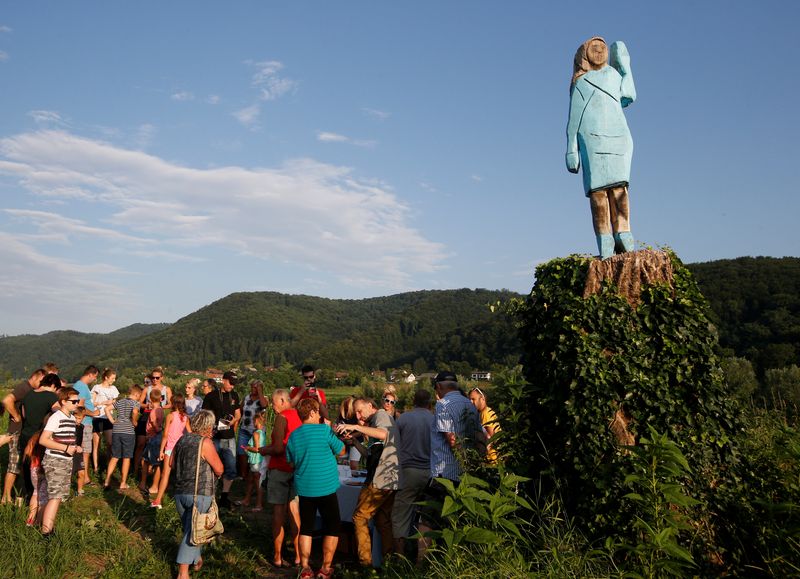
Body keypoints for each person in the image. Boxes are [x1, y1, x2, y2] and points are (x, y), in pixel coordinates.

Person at [566, 36, 637, 259]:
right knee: (598, 193)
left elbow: (629, 95)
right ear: (584, 54)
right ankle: (604, 235)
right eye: (594, 48)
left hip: (618, 135)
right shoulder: (582, 83)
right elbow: (573, 119)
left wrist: (624, 65)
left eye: (602, 48)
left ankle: (623, 231)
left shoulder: (614, 75)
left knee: (619, 189)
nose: (599, 51)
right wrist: (571, 148)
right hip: (591, 139)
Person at [417, 371, 484, 562]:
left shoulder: (443, 405)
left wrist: (462, 460)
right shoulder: (470, 406)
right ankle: (454, 560)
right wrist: (475, 465)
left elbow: (451, 439)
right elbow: (480, 438)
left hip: (443, 474)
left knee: (426, 520)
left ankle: (420, 564)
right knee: (455, 520)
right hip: (466, 476)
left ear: (438, 387)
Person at [335, 397, 400, 568]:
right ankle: (388, 563)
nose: (357, 416)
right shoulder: (373, 423)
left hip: (380, 478)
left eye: (359, 411)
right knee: (381, 520)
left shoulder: (380, 416)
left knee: (359, 517)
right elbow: (369, 455)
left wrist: (356, 427)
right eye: (355, 414)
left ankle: (365, 564)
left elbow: (385, 435)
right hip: (389, 478)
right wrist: (355, 442)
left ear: (370, 406)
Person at [286, 398, 346, 579]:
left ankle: (305, 568)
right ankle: (325, 568)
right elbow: (342, 450)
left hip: (305, 487)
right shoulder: (324, 431)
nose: (320, 414)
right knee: (333, 527)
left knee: (306, 528)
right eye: (318, 411)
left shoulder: (294, 436)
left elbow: (291, 461)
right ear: (312, 413)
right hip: (326, 487)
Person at [170, 410, 224, 579]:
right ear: (208, 426)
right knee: (193, 532)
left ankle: (195, 558)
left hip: (179, 493)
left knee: (190, 528)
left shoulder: (182, 439)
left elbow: (171, 463)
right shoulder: (205, 443)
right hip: (199, 493)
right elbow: (220, 468)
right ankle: (183, 573)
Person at [259, 388, 302, 568]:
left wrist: (261, 450)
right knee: (294, 511)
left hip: (280, 468)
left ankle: (277, 556)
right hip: (296, 468)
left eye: (275, 405)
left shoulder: (281, 418)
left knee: (278, 512)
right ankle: (299, 556)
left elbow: (277, 448)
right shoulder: (299, 417)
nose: (273, 408)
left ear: (283, 401)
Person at [391, 388, 434, 554]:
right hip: (430, 472)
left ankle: (400, 557)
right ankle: (421, 559)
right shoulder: (434, 419)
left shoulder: (404, 419)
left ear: (413, 401)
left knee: (400, 515)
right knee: (426, 517)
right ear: (429, 404)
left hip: (409, 471)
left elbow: (394, 445)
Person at [38, 387, 83, 535]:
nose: (77, 403)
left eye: (78, 400)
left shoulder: (70, 418)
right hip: (55, 461)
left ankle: (41, 524)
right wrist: (65, 448)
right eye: (74, 401)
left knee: (55, 496)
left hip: (64, 461)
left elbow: (64, 439)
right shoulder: (56, 417)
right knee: (55, 497)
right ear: (63, 402)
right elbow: (43, 440)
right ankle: (47, 532)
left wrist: (74, 447)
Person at [2, 368, 45, 503]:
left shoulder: (30, 390)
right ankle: (6, 497)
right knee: (14, 466)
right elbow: (7, 400)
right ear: (34, 377)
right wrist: (16, 416)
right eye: (41, 381)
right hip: (16, 432)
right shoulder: (24, 388)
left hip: (23, 432)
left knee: (21, 465)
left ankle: (19, 495)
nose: (41, 384)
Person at [201, 371, 241, 509]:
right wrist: (208, 431)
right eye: (230, 383)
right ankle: (209, 495)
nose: (232, 386)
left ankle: (224, 497)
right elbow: (204, 415)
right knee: (211, 467)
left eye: (234, 384)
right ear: (223, 380)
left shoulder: (234, 395)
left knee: (230, 468)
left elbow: (238, 414)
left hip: (229, 437)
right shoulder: (211, 396)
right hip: (214, 437)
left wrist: (232, 422)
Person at [19, 373, 60, 502]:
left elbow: (24, 415)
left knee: (27, 468)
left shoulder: (29, 394)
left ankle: (27, 496)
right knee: (39, 468)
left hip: (25, 435)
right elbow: (58, 411)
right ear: (53, 385)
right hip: (39, 437)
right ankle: (40, 498)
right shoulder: (51, 396)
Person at [151, 394, 191, 508]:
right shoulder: (186, 417)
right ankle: (182, 500)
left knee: (165, 474)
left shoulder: (170, 416)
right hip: (181, 448)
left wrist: (161, 450)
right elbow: (190, 432)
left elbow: (165, 434)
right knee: (181, 475)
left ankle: (158, 500)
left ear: (174, 404)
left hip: (170, 448)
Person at [104, 385, 142, 490]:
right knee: (126, 457)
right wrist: (134, 421)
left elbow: (107, 409)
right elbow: (134, 412)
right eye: (139, 396)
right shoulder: (136, 403)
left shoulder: (120, 401)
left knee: (115, 456)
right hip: (128, 432)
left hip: (116, 431)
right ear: (136, 394)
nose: (139, 398)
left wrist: (112, 421)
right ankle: (123, 483)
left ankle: (107, 481)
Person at [72, 365, 100, 489]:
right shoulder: (81, 387)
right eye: (95, 377)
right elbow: (80, 407)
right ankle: (84, 478)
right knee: (85, 451)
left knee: (85, 450)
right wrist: (93, 413)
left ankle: (84, 477)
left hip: (86, 422)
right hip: (85, 422)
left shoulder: (81, 386)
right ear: (90, 375)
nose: (95, 379)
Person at [91, 368, 120, 473]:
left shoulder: (114, 389)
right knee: (96, 444)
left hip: (109, 418)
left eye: (114, 378)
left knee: (110, 443)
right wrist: (103, 402)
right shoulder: (97, 387)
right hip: (98, 417)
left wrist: (111, 404)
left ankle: (109, 466)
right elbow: (91, 403)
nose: (114, 380)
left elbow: (115, 404)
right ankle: (95, 467)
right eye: (112, 378)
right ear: (106, 377)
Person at [237, 380, 267, 479]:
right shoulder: (246, 397)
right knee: (242, 453)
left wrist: (260, 392)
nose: (254, 389)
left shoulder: (263, 398)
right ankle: (243, 475)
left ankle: (256, 474)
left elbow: (264, 405)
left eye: (256, 387)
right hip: (244, 429)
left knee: (256, 451)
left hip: (257, 432)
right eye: (253, 387)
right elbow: (240, 410)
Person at [139, 389, 165, 494]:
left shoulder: (154, 411)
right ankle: (144, 483)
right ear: (160, 399)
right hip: (156, 437)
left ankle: (153, 486)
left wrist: (157, 428)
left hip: (153, 437)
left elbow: (154, 422)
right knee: (148, 461)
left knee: (153, 462)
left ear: (150, 398)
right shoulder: (161, 409)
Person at [239, 411, 266, 511]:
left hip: (256, 461)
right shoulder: (262, 432)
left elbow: (257, 449)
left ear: (256, 421)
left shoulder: (255, 433)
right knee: (250, 480)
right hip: (256, 460)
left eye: (253, 421)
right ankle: (247, 499)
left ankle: (259, 504)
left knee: (257, 482)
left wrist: (247, 447)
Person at [469, 387, 502, 464]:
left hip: (492, 458)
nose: (471, 402)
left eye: (473, 399)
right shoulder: (487, 411)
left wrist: (486, 457)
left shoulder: (485, 413)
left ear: (482, 399)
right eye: (470, 399)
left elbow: (491, 437)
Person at [336, 397, 362, 471]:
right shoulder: (342, 415)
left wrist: (351, 436)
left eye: (348, 407)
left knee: (353, 465)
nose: (346, 409)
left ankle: (354, 479)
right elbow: (337, 427)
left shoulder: (357, 415)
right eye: (345, 406)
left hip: (356, 441)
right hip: (343, 441)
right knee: (341, 464)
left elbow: (361, 431)